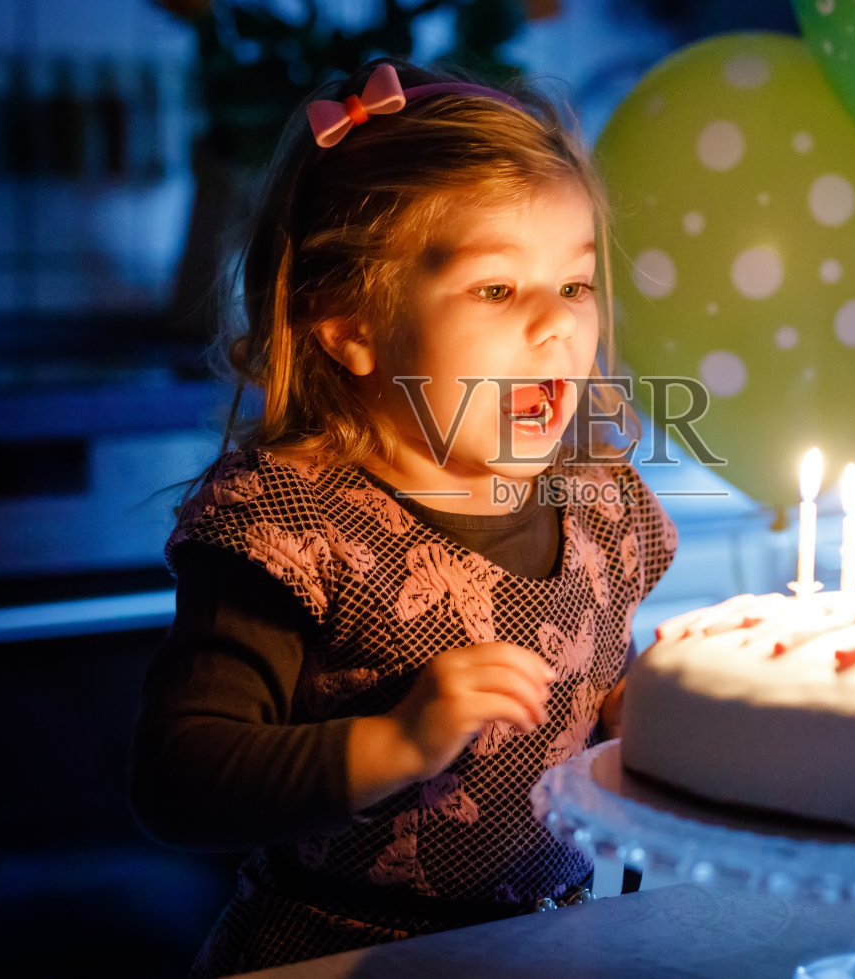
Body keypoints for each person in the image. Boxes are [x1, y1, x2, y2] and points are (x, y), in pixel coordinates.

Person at [129, 58, 678, 975]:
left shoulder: (599, 501)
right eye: (497, 289)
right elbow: (176, 781)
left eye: (575, 285)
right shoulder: (291, 524)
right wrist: (398, 741)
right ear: (351, 325)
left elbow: (591, 685)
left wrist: (641, 710)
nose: (556, 325)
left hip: (543, 950)